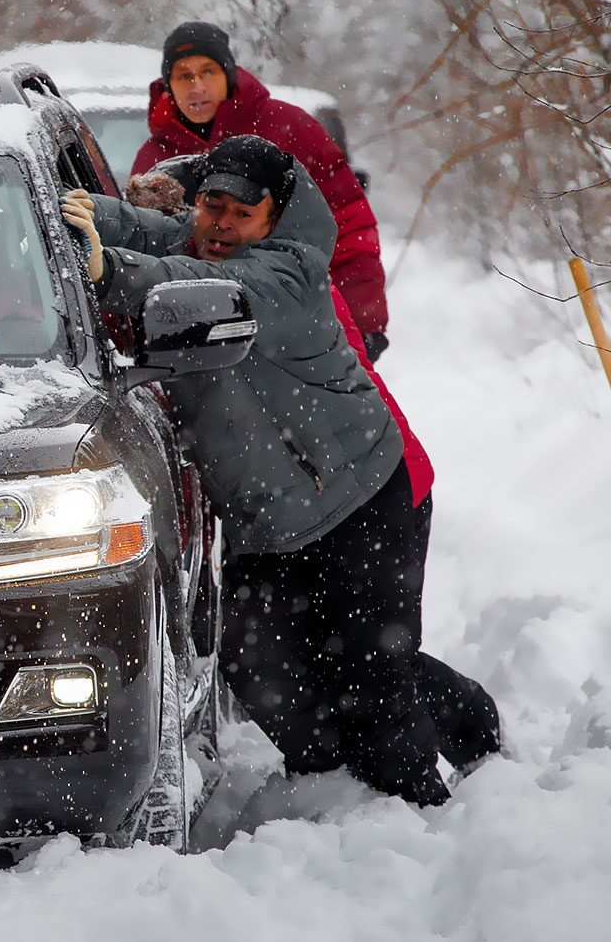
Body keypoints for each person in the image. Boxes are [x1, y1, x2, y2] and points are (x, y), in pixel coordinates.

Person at [63, 135, 496, 805]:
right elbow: (157, 228)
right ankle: (330, 780)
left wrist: (108, 270)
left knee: (371, 672)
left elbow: (205, 288)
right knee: (257, 662)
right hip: (269, 521)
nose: (222, 224)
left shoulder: (287, 273)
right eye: (213, 206)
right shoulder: (202, 236)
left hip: (364, 496)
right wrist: (72, 209)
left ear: (272, 218)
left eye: (243, 213)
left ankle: (416, 805)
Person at [132, 21, 391, 362]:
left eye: (207, 72)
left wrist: (363, 318)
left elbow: (347, 220)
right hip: (202, 344)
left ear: (228, 73)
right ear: (169, 85)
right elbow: (141, 247)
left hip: (299, 325)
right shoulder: (155, 158)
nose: (196, 86)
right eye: (183, 76)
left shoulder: (290, 129)